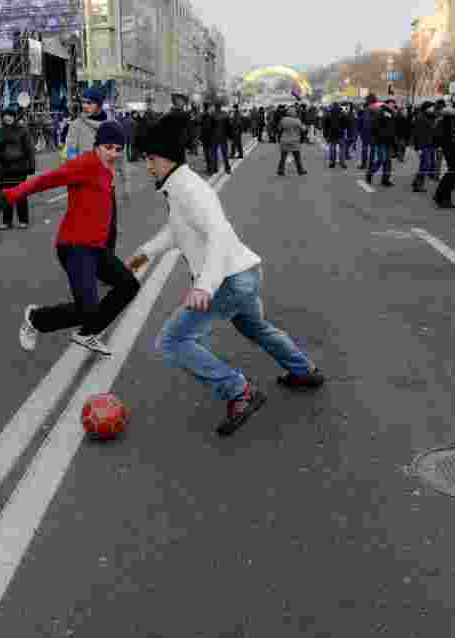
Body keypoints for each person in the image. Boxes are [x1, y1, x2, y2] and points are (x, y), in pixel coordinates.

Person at [126, 113, 325, 437]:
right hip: (242, 273)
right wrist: (145, 253)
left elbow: (216, 233)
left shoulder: (190, 190)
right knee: (256, 328)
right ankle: (304, 371)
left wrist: (204, 286)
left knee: (173, 341)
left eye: (151, 159)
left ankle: (239, 391)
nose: (147, 166)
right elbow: (178, 231)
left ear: (167, 158)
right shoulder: (178, 186)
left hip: (228, 281)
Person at [0, 121, 140, 356]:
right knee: (87, 308)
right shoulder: (84, 165)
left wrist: (110, 235)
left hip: (97, 248)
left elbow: (104, 207)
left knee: (129, 286)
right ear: (97, 145)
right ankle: (36, 319)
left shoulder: (107, 168)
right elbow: (43, 181)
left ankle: (87, 333)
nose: (114, 154)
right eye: (109, 147)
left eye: (119, 149)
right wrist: (2, 198)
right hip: (75, 246)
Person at [0, 107, 36, 230]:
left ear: (14, 117)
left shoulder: (23, 130)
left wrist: (31, 166)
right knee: (6, 195)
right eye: (5, 116)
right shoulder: (0, 131)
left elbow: (30, 149)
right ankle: (6, 221)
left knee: (20, 194)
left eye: (10, 115)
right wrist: (2, 141)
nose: (7, 118)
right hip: (4, 168)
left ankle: (23, 220)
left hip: (20, 167)